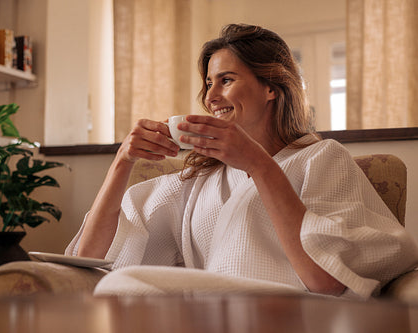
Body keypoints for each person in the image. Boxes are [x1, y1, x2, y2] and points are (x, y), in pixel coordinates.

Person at [66, 24, 418, 299]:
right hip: (209, 315)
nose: (211, 96)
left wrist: (259, 165)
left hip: (295, 312)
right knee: (120, 285)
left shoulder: (322, 158)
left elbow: (326, 279)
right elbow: (91, 255)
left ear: (271, 87)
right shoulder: (202, 177)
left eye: (226, 80)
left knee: (128, 285)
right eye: (208, 84)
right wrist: (122, 162)